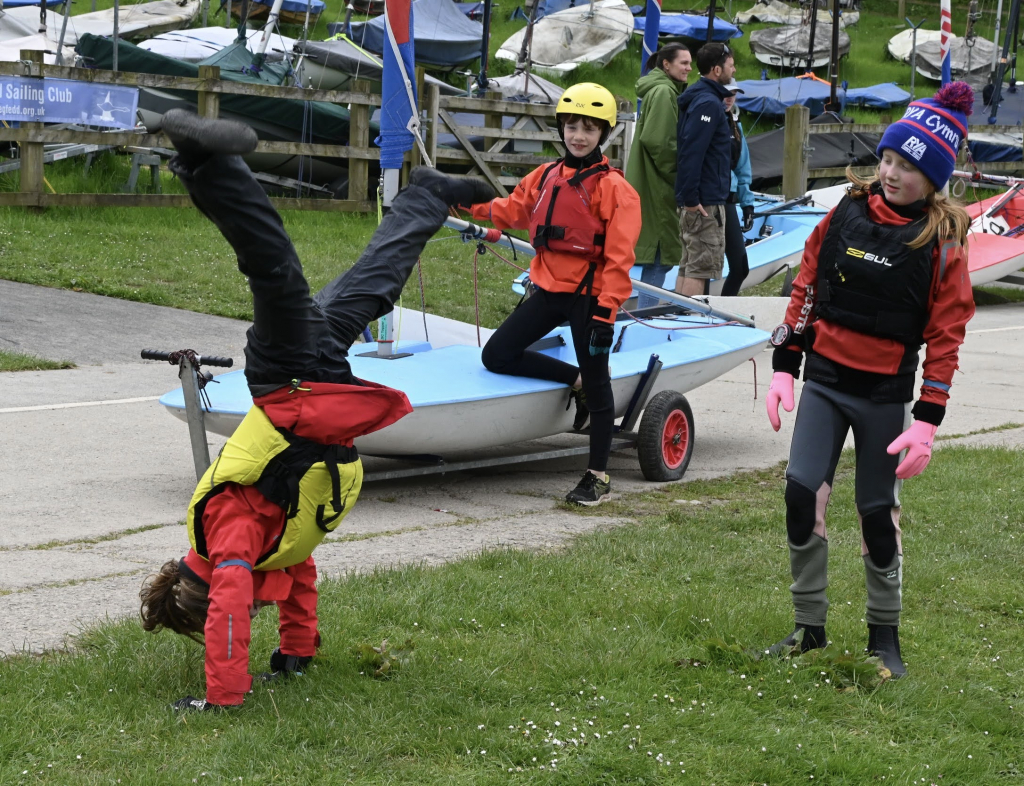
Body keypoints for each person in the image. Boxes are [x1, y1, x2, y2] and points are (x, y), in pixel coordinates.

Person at [139, 109, 494, 710]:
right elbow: (300, 571)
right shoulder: (274, 551)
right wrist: (296, 652)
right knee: (372, 289)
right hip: (315, 386)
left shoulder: (228, 536)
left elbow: (233, 606)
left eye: (244, 600)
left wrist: (221, 696)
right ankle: (427, 197)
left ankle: (203, 161)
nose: (255, 602)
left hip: (287, 378)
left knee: (273, 268)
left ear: (213, 586)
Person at [763, 83, 977, 678]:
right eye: (887, 158)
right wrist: (784, 366)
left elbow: (947, 335)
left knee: (877, 513)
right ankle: (809, 629)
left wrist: (927, 422)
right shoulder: (845, 213)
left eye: (908, 165)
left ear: (933, 179)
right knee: (800, 495)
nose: (891, 172)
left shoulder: (943, 243)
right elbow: (807, 285)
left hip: (884, 396)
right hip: (825, 384)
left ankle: (884, 637)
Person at [468, 83, 642, 506]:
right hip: (549, 290)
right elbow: (511, 210)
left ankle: (597, 476)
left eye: (588, 129)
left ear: (603, 133)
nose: (578, 136)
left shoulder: (616, 190)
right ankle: (573, 379)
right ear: (562, 128)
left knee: (600, 387)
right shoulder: (546, 176)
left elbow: (619, 259)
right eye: (572, 127)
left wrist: (606, 313)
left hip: (589, 297)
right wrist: (458, 202)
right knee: (497, 354)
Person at [625, 43, 692, 309]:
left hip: (649, 182)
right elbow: (660, 143)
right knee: (658, 257)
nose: (689, 68)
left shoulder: (660, 89)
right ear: (666, 64)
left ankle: (641, 312)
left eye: (690, 63)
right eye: (683, 63)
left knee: (655, 258)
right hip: (657, 186)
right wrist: (682, 179)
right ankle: (646, 316)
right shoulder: (664, 92)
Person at [674, 42, 736, 297]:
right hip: (704, 201)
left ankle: (676, 315)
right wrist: (691, 199)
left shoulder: (701, 98)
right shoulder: (708, 104)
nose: (734, 70)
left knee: (689, 264)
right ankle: (688, 318)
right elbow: (692, 150)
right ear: (717, 70)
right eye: (731, 65)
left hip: (699, 198)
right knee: (699, 268)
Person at [719, 78, 757, 297]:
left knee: (740, 268)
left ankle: (722, 310)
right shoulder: (706, 120)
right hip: (710, 199)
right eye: (725, 93)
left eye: (733, 94)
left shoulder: (735, 125)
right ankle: (700, 311)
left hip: (729, 199)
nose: (729, 98)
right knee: (706, 269)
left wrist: (748, 205)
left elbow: (743, 168)